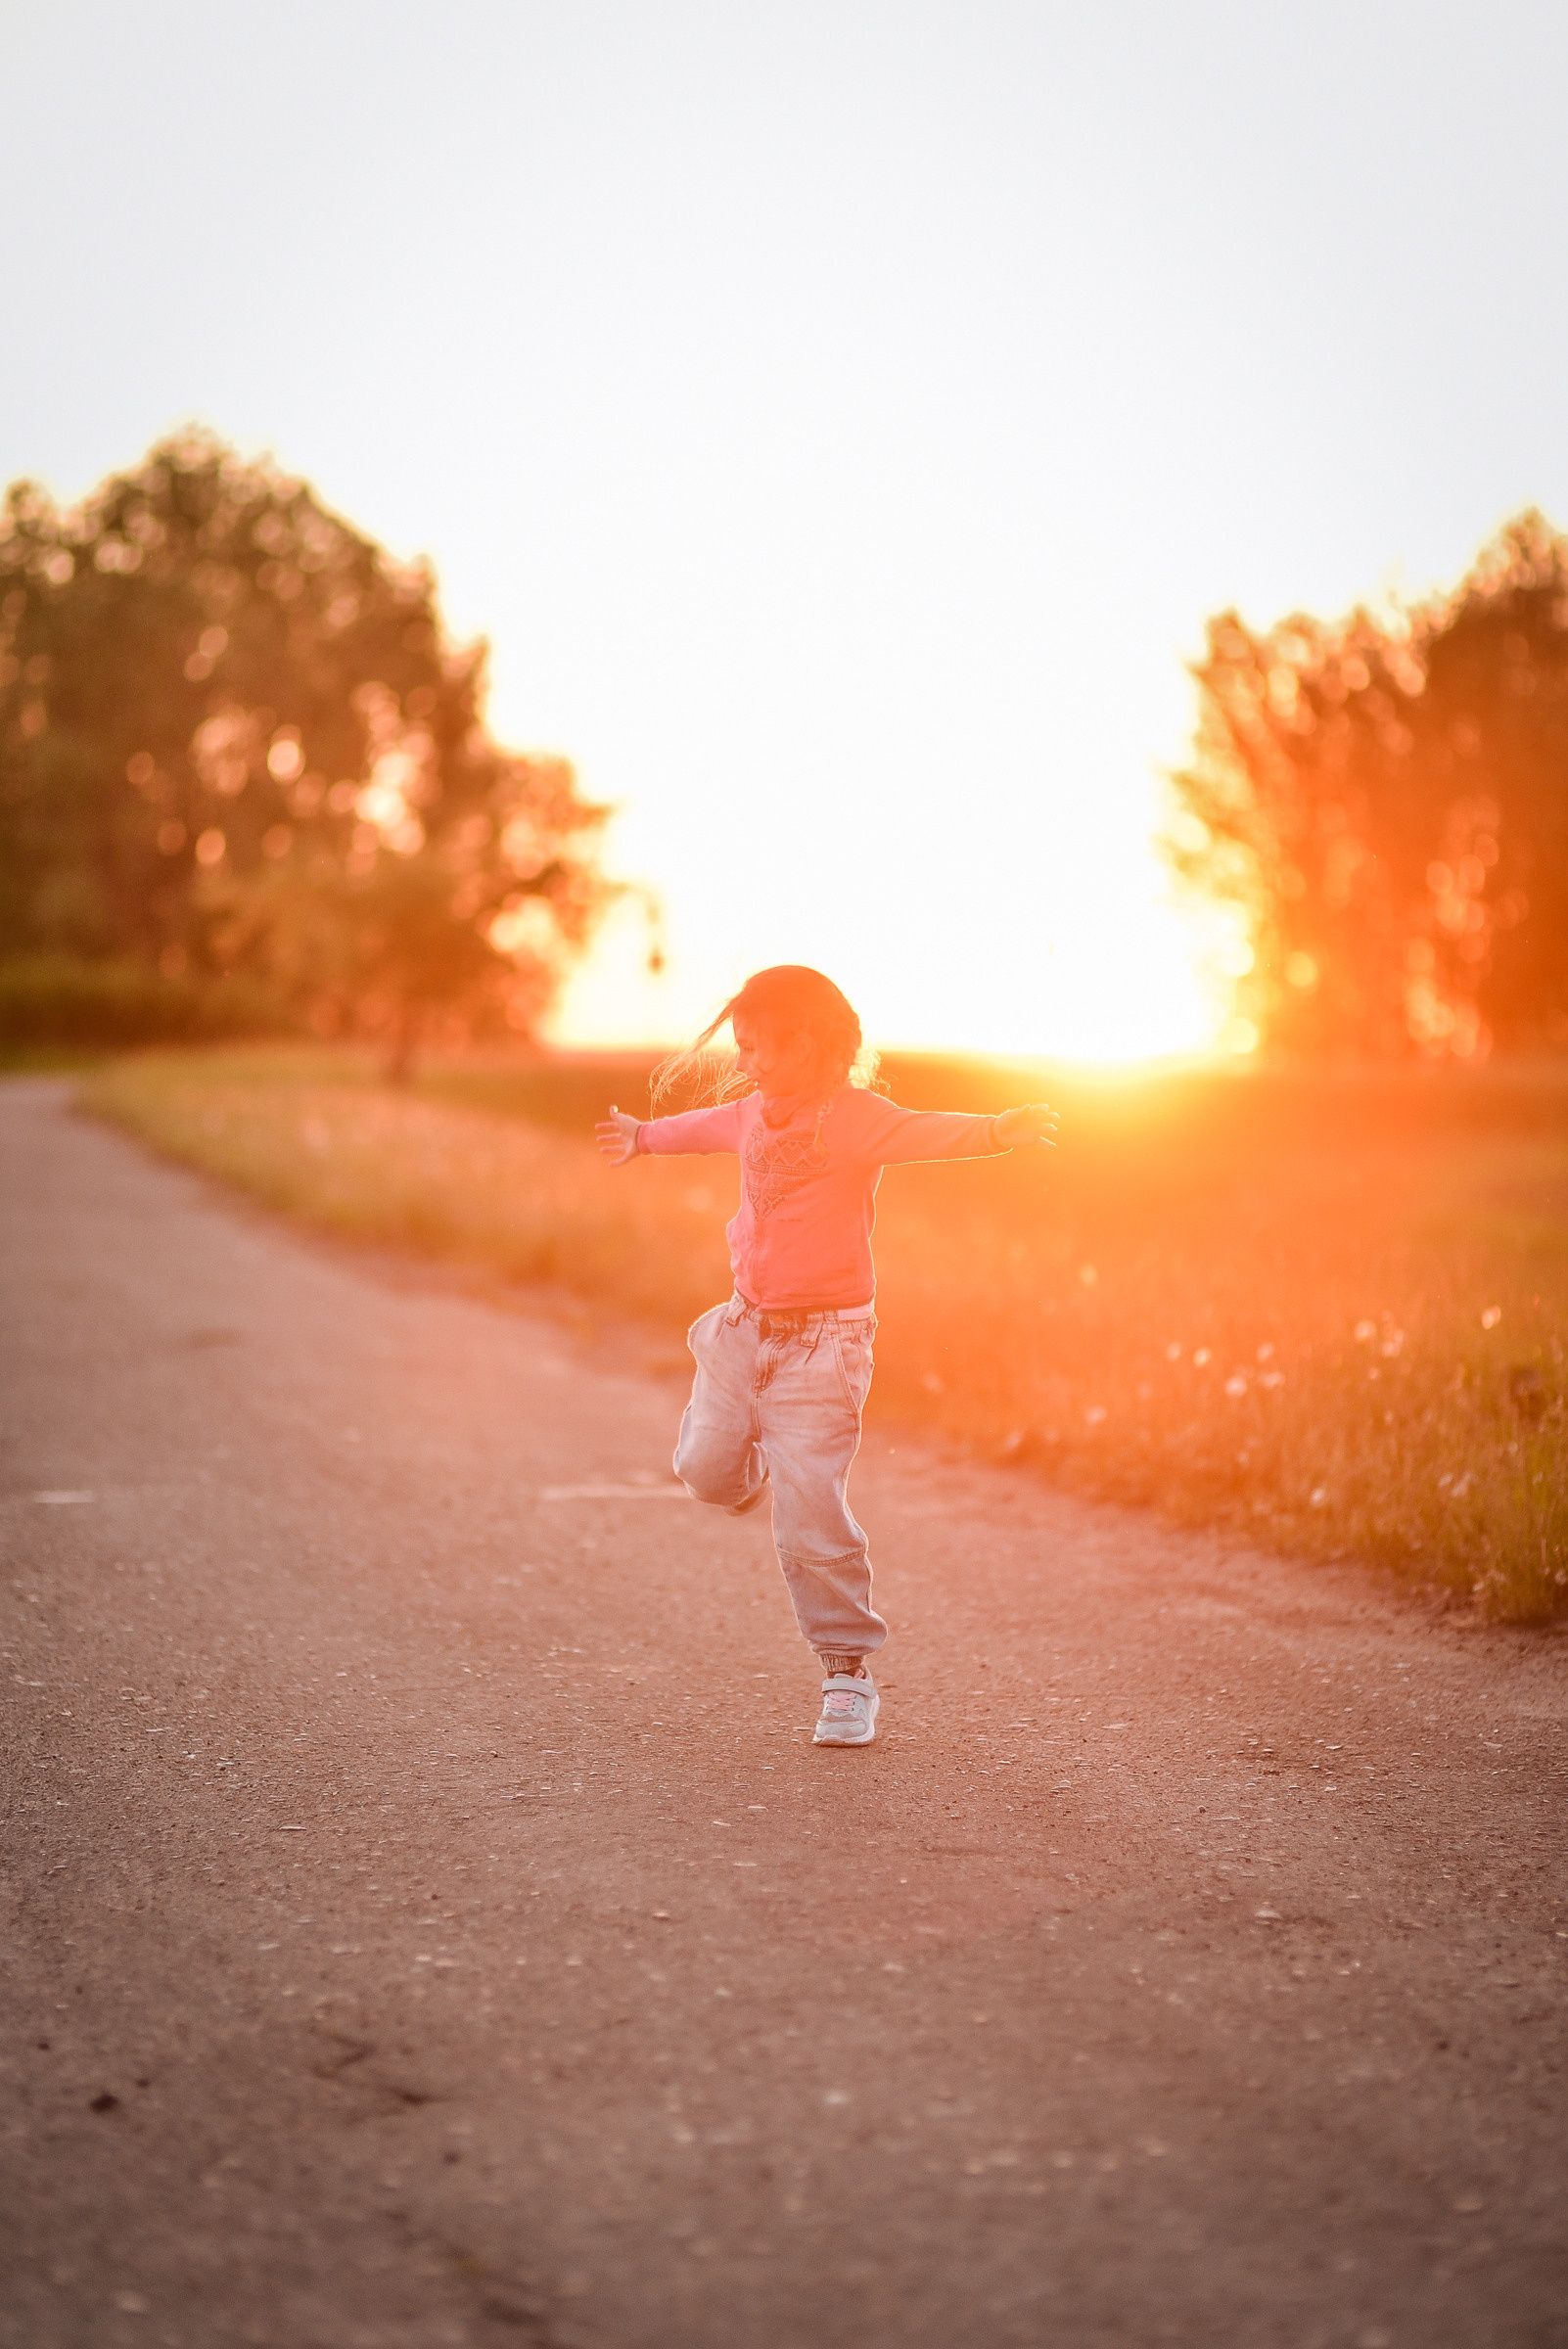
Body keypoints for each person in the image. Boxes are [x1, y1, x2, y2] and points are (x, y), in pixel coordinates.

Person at [595, 965, 1057, 1748]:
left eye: (757, 1048)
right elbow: (700, 1128)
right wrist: (643, 1137)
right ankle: (757, 1463)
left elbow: (924, 1131)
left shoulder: (855, 1118)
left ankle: (846, 1672)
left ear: (808, 1043)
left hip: (824, 1347)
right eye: (740, 1046)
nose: (744, 1062)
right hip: (744, 1330)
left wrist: (994, 1131)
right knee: (705, 1473)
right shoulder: (752, 1113)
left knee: (809, 1511)